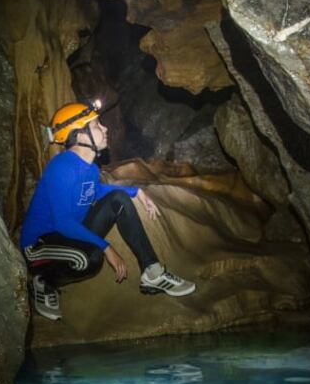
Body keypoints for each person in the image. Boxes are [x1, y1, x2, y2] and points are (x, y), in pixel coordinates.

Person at [19, 100, 196, 321]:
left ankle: (152, 272)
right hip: (40, 244)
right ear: (80, 135)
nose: (105, 129)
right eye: (96, 125)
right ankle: (45, 282)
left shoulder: (91, 169)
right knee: (89, 259)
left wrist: (135, 192)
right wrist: (106, 247)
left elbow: (95, 191)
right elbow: (62, 222)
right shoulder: (61, 167)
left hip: (67, 235)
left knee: (118, 199)